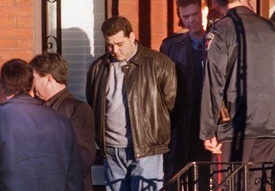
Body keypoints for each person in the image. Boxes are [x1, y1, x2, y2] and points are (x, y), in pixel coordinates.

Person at [200, 0, 275, 191]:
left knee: (229, 185)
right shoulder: (270, 28)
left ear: (214, 2)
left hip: (235, 126)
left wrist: (208, 130)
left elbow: (214, 82)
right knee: (259, 185)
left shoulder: (220, 31)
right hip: (269, 124)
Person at [86, 16, 177, 191]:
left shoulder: (158, 63)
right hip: (111, 150)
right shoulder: (98, 67)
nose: (115, 50)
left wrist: (154, 133)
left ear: (132, 36)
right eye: (110, 45)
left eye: (120, 44)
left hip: (147, 148)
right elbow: (93, 102)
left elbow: (172, 104)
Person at [0, 59, 84, 191]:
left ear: (2, 86)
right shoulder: (61, 121)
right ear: (32, 84)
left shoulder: (3, 117)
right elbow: (74, 176)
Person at [160, 0, 210, 189]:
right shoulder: (171, 47)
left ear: (205, 10)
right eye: (185, 16)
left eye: (195, 14)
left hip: (212, 124)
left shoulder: (222, 40)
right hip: (183, 126)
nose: (191, 20)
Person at [29, 53, 96, 191]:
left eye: (33, 78)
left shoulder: (78, 109)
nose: (30, 84)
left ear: (48, 79)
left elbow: (83, 158)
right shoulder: (34, 107)